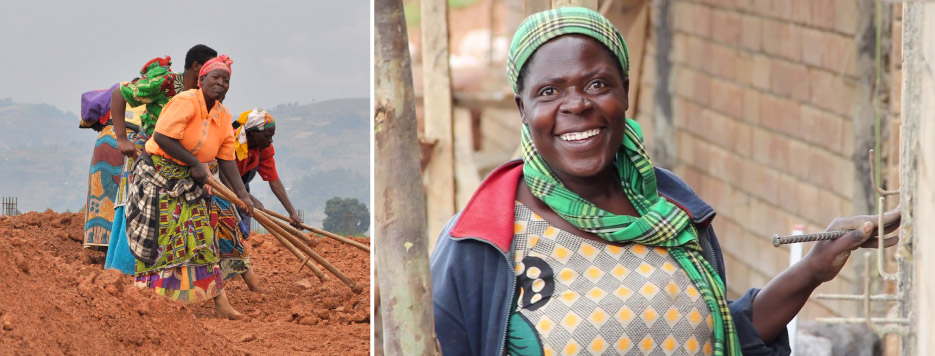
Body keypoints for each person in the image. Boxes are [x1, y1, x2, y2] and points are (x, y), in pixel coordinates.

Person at [429, 8, 900, 356]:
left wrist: (814, 267)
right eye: (549, 92)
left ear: (626, 93)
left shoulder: (670, 210)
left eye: (597, 84)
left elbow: (717, 336)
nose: (577, 105)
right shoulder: (481, 243)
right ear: (522, 109)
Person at [124, 55, 254, 319]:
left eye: (226, 80)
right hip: (158, 178)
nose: (221, 83)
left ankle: (222, 304)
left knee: (204, 238)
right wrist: (195, 163)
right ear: (201, 79)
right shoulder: (184, 101)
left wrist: (243, 196)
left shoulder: (223, 115)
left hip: (189, 182)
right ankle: (150, 302)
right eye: (215, 78)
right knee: (159, 243)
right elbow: (161, 136)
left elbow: (227, 159)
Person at [104, 45, 218, 274]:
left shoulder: (201, 97)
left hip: (179, 160)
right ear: (197, 67)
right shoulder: (165, 83)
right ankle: (125, 272)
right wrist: (121, 139)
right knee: (139, 207)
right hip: (149, 157)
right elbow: (119, 93)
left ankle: (169, 272)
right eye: (210, 70)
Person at [230, 108, 303, 229]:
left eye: (272, 136)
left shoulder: (264, 148)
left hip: (242, 187)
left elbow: (273, 180)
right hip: (221, 186)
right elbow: (223, 176)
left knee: (243, 231)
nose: (271, 140)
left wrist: (292, 213)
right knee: (228, 230)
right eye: (267, 136)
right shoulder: (232, 142)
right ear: (253, 133)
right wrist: (250, 198)